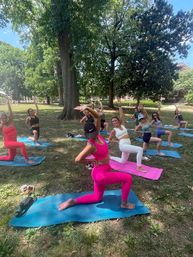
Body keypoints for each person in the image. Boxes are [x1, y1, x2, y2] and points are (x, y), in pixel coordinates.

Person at [58, 106, 134, 211]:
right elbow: (77, 159)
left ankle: (73, 201)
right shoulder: (90, 145)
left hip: (102, 170)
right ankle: (124, 204)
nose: (92, 136)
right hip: (100, 175)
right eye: (89, 135)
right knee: (128, 178)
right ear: (86, 134)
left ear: (96, 130)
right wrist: (93, 161)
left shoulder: (97, 134)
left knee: (97, 197)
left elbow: (97, 117)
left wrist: (88, 108)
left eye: (93, 133)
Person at [108, 107, 145, 171]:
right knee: (140, 149)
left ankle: (110, 157)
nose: (114, 122)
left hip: (128, 144)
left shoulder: (122, 125)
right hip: (123, 145)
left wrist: (120, 108)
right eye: (113, 121)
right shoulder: (113, 130)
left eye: (115, 120)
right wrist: (117, 141)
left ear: (118, 121)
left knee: (122, 161)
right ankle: (139, 167)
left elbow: (121, 115)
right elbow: (109, 140)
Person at [0, 98, 33, 163]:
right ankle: (27, 160)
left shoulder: (10, 121)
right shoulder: (1, 126)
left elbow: (11, 113)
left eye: (5, 117)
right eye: (2, 118)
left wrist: (8, 104)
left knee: (10, 158)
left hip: (14, 142)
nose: (4, 119)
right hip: (8, 143)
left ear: (7, 117)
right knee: (22, 144)